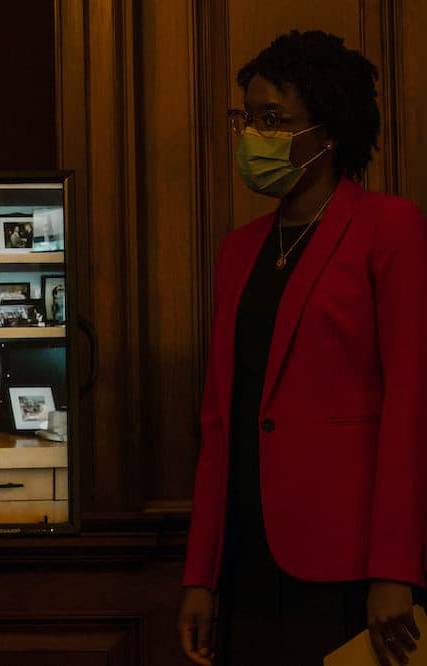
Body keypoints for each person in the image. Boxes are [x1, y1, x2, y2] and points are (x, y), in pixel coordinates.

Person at [178, 30, 427, 666]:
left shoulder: (390, 228)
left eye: (273, 120)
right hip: (247, 557)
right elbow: (220, 422)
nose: (252, 138)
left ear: (329, 131)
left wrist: (395, 568)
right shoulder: (238, 250)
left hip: (348, 562)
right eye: (247, 119)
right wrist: (200, 575)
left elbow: (410, 406)